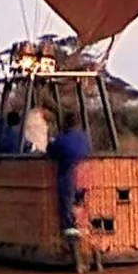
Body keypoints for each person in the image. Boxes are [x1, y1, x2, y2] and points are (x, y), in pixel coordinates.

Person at [53, 105, 93, 265]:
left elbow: (51, 152)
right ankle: (93, 255)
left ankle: (76, 258)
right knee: (84, 216)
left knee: (68, 220)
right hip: (84, 181)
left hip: (67, 182)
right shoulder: (84, 139)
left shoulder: (61, 140)